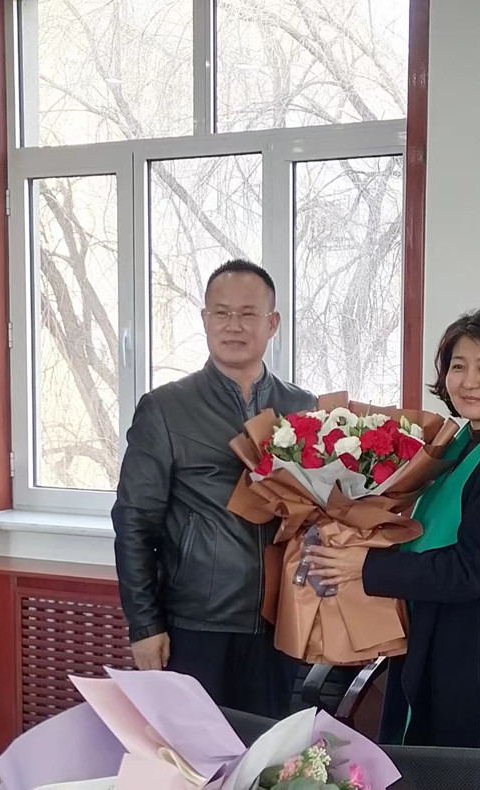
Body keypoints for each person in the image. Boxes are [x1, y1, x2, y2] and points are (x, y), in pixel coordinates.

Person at [308, 307, 480, 789]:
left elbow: (470, 570)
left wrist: (364, 565)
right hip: (447, 637)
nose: (469, 381)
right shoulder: (466, 441)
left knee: (471, 774)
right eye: (457, 366)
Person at [112, 259, 316, 718]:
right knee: (192, 754)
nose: (233, 326)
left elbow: (318, 515)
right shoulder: (166, 408)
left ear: (272, 323)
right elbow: (134, 524)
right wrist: (144, 626)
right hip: (194, 625)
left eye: (247, 314)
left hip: (280, 625)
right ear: (205, 320)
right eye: (221, 313)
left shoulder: (303, 408)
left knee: (270, 753)